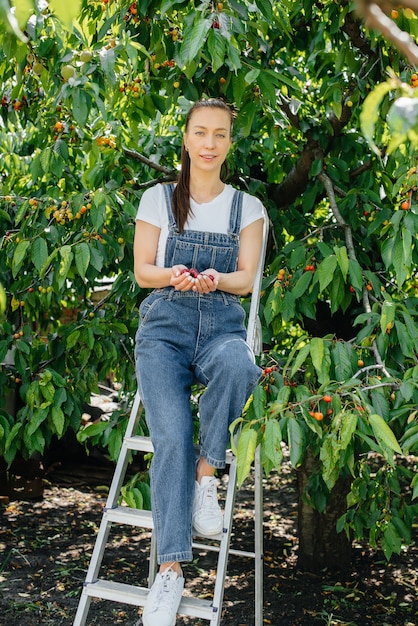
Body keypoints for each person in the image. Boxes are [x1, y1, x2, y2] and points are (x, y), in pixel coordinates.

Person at [133, 98, 265, 626]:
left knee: (240, 367)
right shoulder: (158, 199)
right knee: (170, 436)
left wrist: (214, 280)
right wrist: (175, 276)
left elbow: (245, 278)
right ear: (185, 140)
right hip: (164, 329)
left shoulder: (248, 208)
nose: (210, 144)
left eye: (221, 135)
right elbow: (144, 270)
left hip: (220, 325)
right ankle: (169, 572)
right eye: (201, 134)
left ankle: (205, 475)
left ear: (230, 143)